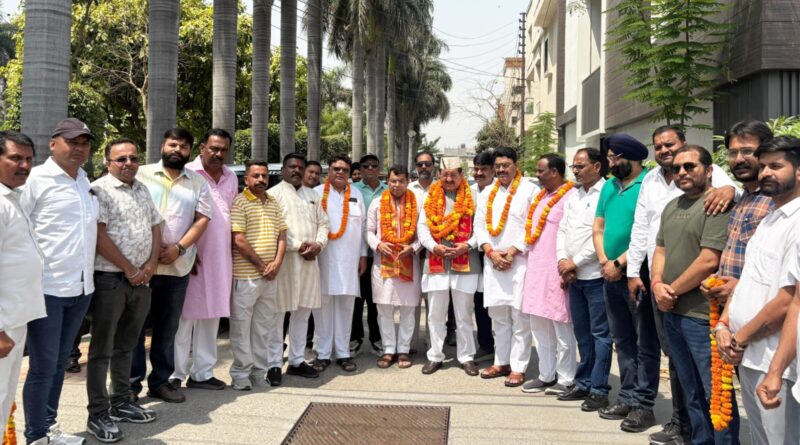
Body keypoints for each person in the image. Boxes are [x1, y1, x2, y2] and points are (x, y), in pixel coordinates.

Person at [626, 125, 738, 445]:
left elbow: (708, 260)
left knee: (715, 392)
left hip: (701, 315)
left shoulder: (716, 203)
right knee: (691, 390)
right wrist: (656, 284)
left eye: (690, 166)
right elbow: (658, 249)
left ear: (709, 170)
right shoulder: (672, 206)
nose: (682, 172)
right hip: (670, 310)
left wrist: (670, 290)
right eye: (677, 169)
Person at [21, 118, 98, 445]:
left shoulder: (84, 180)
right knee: (43, 367)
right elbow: (15, 230)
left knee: (58, 365)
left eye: (84, 142)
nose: (79, 148)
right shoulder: (35, 180)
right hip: (47, 290)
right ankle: (36, 436)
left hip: (81, 289)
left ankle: (48, 427)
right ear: (53, 144)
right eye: (72, 141)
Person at [722, 136, 800, 444]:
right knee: (759, 439)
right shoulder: (770, 219)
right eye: (764, 166)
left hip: (776, 362)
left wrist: (739, 340)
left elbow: (789, 301)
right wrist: (723, 325)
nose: (765, 172)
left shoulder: (796, 224)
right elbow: (747, 281)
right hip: (749, 356)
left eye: (776, 166)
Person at [86, 139, 162, 442]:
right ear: (108, 162)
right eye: (121, 159)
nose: (128, 163)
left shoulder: (142, 189)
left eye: (133, 158)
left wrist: (151, 264)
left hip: (142, 281)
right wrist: (130, 269)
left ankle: (120, 402)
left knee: (127, 345)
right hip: (111, 280)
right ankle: (98, 413)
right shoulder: (99, 190)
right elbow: (99, 235)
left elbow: (156, 226)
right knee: (101, 350)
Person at [131, 128, 212, 403]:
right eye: (173, 144)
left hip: (177, 266)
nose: (177, 150)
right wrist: (151, 252)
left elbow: (202, 219)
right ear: (162, 146)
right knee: (134, 327)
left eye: (183, 146)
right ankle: (130, 385)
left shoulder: (198, 182)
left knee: (167, 329)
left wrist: (179, 248)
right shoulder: (140, 174)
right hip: (140, 266)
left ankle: (160, 382)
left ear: (190, 151)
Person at [592, 134, 659, 432]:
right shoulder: (609, 186)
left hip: (637, 274)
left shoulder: (648, 185)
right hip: (609, 273)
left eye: (615, 158)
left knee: (645, 342)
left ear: (633, 159)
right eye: (609, 157)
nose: (611, 163)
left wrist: (619, 263)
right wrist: (605, 261)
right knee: (623, 341)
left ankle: (643, 405)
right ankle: (627, 397)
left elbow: (646, 233)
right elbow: (599, 227)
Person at [171, 129, 238, 391]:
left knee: (212, 316)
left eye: (223, 150)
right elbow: (176, 214)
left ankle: (202, 373)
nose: (218, 154)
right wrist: (187, 250)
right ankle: (174, 374)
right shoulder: (187, 172)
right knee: (183, 319)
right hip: (190, 257)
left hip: (220, 258)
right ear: (202, 148)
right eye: (214, 148)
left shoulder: (231, 177)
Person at [473, 147, 537, 386]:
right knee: (498, 316)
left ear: (516, 165)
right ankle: (501, 362)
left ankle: (518, 367)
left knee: (519, 317)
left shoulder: (529, 190)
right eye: (498, 166)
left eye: (505, 165)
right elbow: (479, 226)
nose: (501, 170)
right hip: (493, 262)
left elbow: (532, 227)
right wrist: (490, 252)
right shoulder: (487, 192)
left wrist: (511, 252)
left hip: (519, 262)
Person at [555, 148, 612, 411]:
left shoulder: (607, 192)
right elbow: (563, 230)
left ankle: (599, 389)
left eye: (580, 166)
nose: (576, 171)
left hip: (595, 276)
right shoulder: (573, 196)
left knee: (600, 334)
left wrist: (574, 262)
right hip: (574, 277)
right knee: (582, 334)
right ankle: (583, 382)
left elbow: (602, 236)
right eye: (574, 167)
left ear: (597, 166)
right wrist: (562, 261)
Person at [519, 154, 578, 395]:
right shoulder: (540, 197)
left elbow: (572, 235)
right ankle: (546, 375)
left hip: (557, 271)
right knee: (539, 327)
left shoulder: (571, 196)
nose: (537, 174)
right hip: (536, 271)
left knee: (562, 327)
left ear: (555, 172)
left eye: (540, 170)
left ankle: (566, 379)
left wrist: (569, 268)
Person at [268, 153, 329, 379]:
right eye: (292, 166)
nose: (296, 170)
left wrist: (318, 244)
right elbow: (273, 228)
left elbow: (324, 224)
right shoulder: (273, 195)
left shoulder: (312, 195)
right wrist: (298, 246)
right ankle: (274, 364)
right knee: (277, 315)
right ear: (283, 170)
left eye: (300, 167)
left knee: (303, 313)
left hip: (309, 262)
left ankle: (296, 360)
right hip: (284, 262)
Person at [0, 131, 45, 434]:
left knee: (4, 399)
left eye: (29, 159)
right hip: (4, 323)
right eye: (15, 158)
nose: (25, 165)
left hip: (15, 318)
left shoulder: (12, 198)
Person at [418, 160, 481, 376]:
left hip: (466, 262)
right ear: (439, 175)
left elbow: (481, 228)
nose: (449, 179)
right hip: (436, 261)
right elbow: (422, 227)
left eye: (453, 174)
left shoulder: (474, 196)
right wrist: (433, 247)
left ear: (462, 175)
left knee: (464, 315)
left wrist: (468, 245)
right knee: (435, 313)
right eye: (445, 174)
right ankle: (435, 356)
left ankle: (467, 357)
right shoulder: (431, 196)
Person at [229, 160, 288, 390]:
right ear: (246, 179)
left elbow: (282, 235)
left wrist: (277, 263)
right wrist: (262, 266)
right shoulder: (240, 202)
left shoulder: (273, 202)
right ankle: (240, 375)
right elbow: (238, 239)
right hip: (246, 277)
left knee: (263, 328)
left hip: (270, 277)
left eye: (264, 175)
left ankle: (258, 373)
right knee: (241, 327)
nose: (261, 179)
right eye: (256, 176)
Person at [312, 155, 368, 372]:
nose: (340, 173)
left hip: (349, 261)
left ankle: (343, 353)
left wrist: (363, 255)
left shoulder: (357, 194)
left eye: (344, 169)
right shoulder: (317, 193)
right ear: (329, 170)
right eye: (336, 168)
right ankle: (323, 353)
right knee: (322, 307)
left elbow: (362, 228)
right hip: (323, 260)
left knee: (346, 307)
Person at [367, 165, 421, 369]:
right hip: (383, 262)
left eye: (401, 181)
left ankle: (404, 350)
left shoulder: (416, 204)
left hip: (409, 261)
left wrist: (413, 247)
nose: (397, 185)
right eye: (393, 181)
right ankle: (389, 349)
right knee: (384, 309)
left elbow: (423, 233)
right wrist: (378, 245)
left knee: (408, 308)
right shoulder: (377, 203)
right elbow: (369, 231)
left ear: (408, 182)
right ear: (387, 182)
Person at [351, 154, 387, 357]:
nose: (370, 169)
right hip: (356, 253)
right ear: (361, 169)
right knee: (357, 300)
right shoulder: (353, 190)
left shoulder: (388, 190)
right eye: (366, 166)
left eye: (374, 165)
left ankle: (376, 338)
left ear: (379, 168)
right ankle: (355, 338)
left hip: (382, 254)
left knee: (376, 300)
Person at [471, 151, 496, 359]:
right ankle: (486, 344)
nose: (479, 173)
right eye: (476, 169)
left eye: (484, 169)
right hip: (473, 254)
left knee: (500, 303)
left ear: (493, 170)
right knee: (479, 301)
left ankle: (506, 349)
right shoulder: (468, 192)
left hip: (497, 254)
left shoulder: (501, 191)